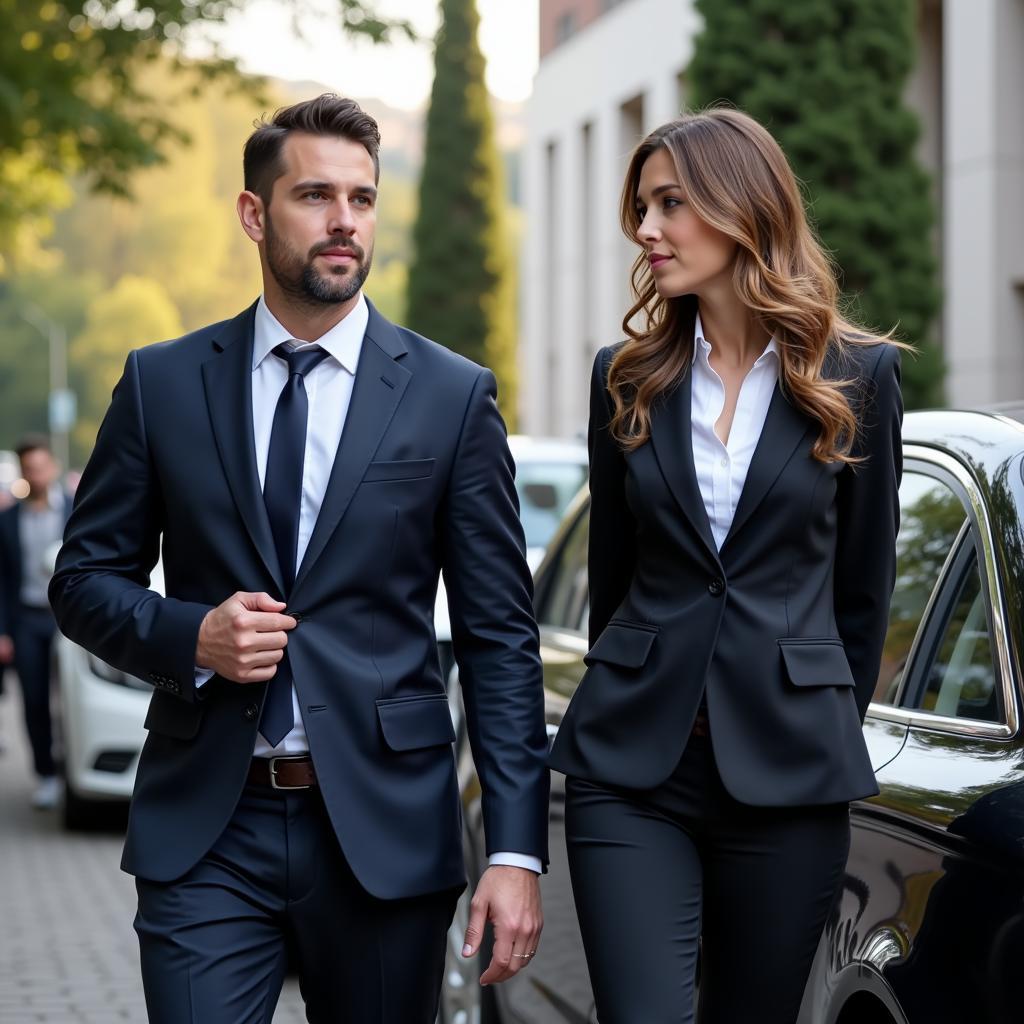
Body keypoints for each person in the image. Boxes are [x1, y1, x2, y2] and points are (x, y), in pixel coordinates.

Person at [49, 94, 548, 1024]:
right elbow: (80, 585)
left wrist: (515, 853)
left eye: (361, 198)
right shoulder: (163, 383)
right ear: (254, 214)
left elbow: (499, 639)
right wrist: (192, 635)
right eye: (315, 195)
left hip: (384, 831)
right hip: (208, 824)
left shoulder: (450, 396)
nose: (344, 222)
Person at [549, 108, 903, 1023]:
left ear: (740, 205)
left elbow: (862, 590)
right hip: (633, 774)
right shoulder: (623, 376)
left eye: (670, 204)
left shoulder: (857, 378)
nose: (646, 230)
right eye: (641, 207)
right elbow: (616, 580)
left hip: (789, 777)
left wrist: (813, 718)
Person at [0, 435, 72, 808]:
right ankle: (45, 774)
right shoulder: (9, 519)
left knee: (73, 699)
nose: (37, 474)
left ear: (53, 467)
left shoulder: (76, 510)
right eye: (30, 469)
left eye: (42, 466)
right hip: (27, 619)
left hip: (70, 623)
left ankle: (72, 770)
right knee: (34, 699)